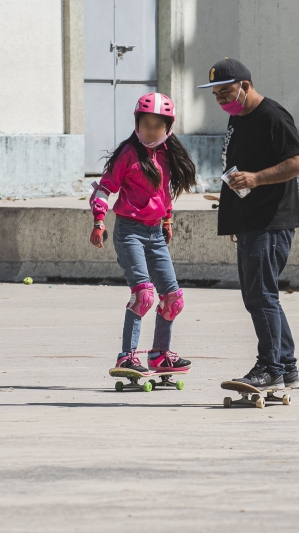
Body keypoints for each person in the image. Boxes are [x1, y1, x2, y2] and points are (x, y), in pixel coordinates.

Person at [198, 58, 299, 390]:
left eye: (226, 92)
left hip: (271, 221)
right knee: (260, 296)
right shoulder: (239, 117)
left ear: (245, 86)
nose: (221, 100)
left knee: (261, 295)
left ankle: (270, 368)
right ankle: (286, 366)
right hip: (251, 221)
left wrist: (258, 178)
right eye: (216, 95)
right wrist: (237, 219)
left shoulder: (272, 115)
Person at [89, 93, 197, 374]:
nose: (151, 130)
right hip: (130, 232)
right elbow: (104, 188)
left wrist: (168, 220)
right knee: (144, 295)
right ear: (137, 124)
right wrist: (99, 221)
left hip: (156, 234)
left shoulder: (165, 156)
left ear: (167, 127)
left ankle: (160, 355)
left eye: (157, 125)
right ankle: (127, 356)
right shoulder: (128, 154)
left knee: (173, 299)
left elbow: (164, 193)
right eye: (146, 123)